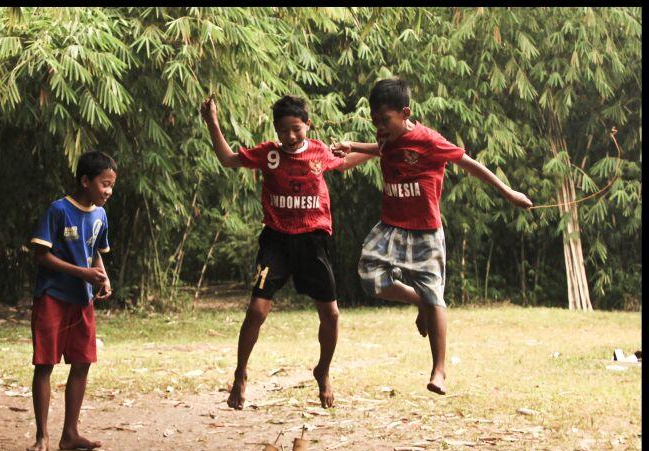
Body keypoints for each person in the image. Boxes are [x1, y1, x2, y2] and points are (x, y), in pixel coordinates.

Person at [331, 77, 532, 395]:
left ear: (405, 112)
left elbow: (470, 164)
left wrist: (508, 193)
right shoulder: (386, 137)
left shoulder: (429, 140)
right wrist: (346, 156)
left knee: (435, 294)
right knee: (370, 278)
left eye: (385, 120)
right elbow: (381, 149)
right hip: (391, 226)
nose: (380, 127)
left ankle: (439, 370)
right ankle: (419, 303)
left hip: (425, 230)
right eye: (375, 121)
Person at [200, 94, 375, 409]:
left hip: (313, 241)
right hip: (276, 241)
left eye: (296, 129)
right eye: (283, 131)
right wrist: (212, 122)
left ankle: (323, 371)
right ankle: (240, 374)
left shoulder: (320, 151)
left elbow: (345, 160)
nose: (291, 137)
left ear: (308, 124)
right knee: (256, 310)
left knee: (331, 315)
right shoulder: (267, 154)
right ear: (276, 131)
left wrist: (375, 150)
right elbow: (228, 159)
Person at [26, 150, 117, 451]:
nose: (108, 191)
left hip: (82, 300)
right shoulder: (58, 210)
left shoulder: (100, 216)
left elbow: (95, 254)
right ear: (85, 181)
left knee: (82, 363)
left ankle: (70, 434)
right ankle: (42, 436)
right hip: (52, 297)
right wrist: (82, 272)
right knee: (45, 364)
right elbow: (42, 255)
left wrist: (103, 278)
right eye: (104, 184)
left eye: (112, 185)